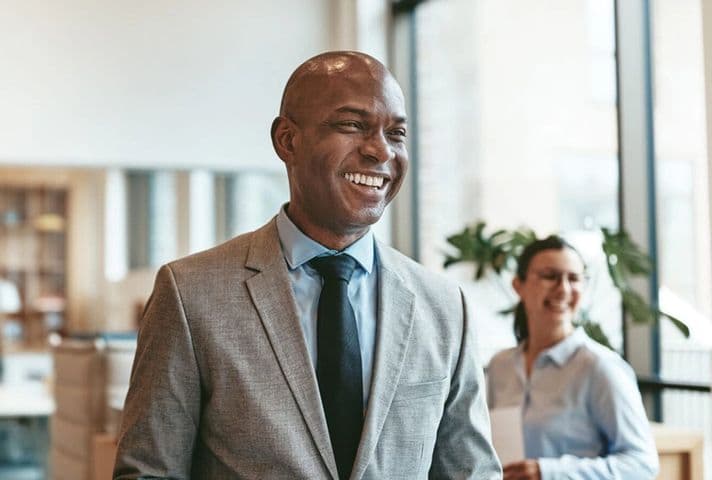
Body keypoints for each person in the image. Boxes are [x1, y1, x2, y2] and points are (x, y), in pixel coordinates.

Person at [114, 51, 501, 479]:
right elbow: (149, 472)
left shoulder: (445, 306)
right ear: (288, 140)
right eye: (352, 125)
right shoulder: (190, 294)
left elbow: (472, 472)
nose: (380, 150)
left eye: (396, 133)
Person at [486, 236, 659, 480]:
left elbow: (641, 464)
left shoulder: (600, 367)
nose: (564, 289)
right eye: (550, 276)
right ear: (518, 285)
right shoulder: (499, 366)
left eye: (574, 278)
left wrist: (548, 473)